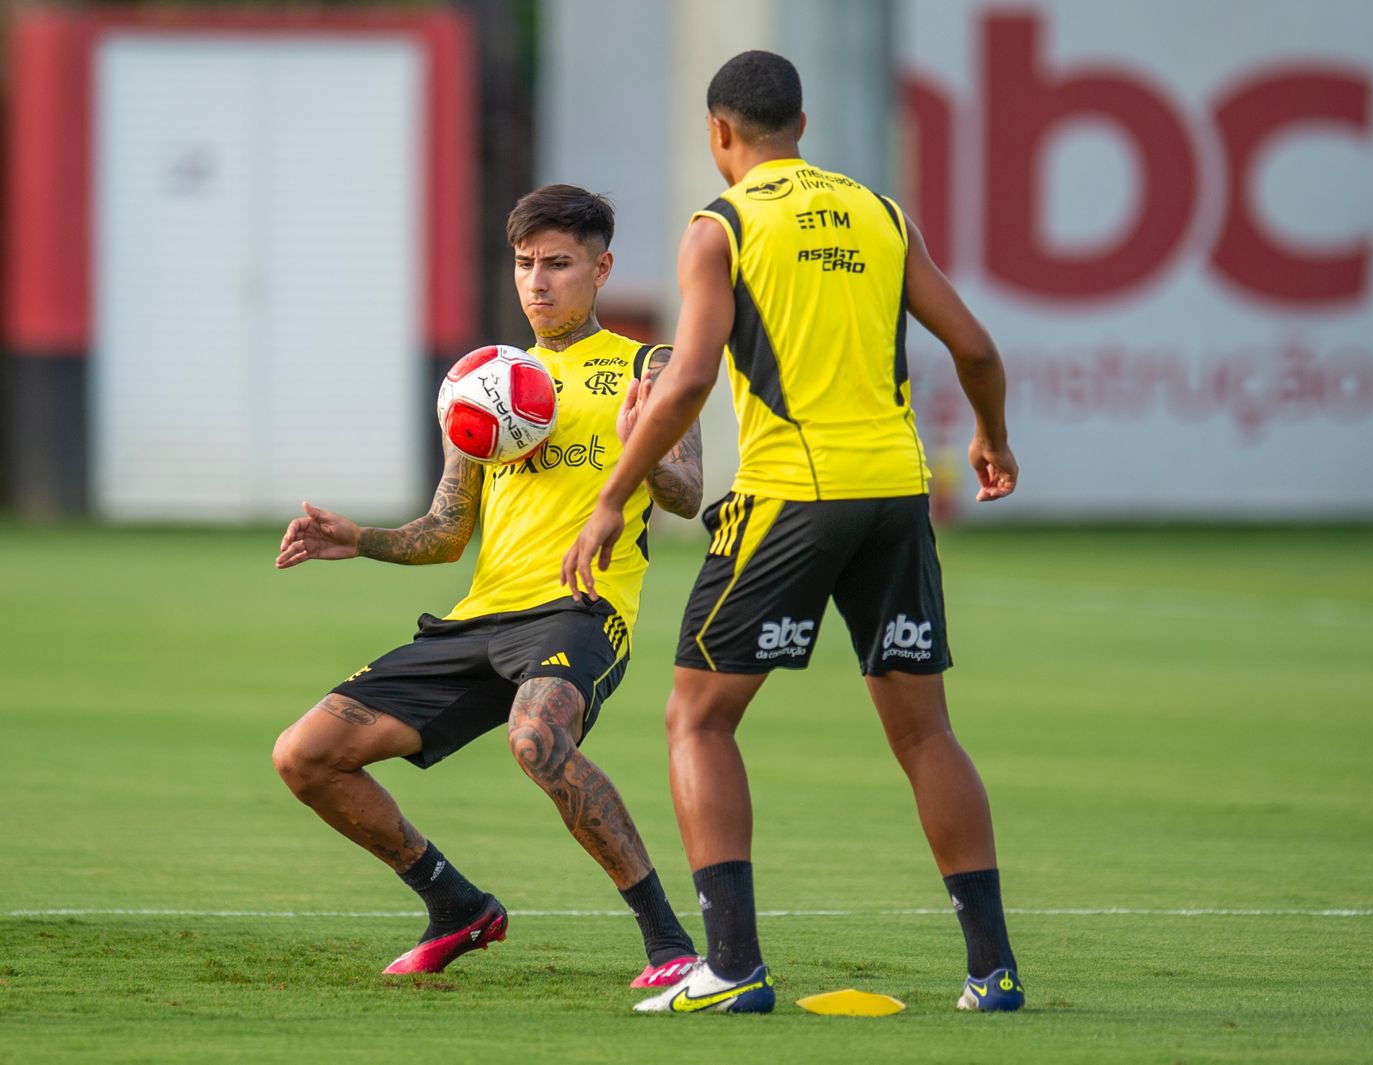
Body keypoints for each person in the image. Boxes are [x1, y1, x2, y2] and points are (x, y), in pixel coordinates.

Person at [562, 51, 1023, 1014]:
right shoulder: (882, 214)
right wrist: (990, 436)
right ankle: (993, 971)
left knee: (698, 717)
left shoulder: (720, 226)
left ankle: (731, 965)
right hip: (897, 495)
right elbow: (976, 346)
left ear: (718, 133)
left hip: (789, 499)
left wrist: (612, 495)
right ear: (802, 127)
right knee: (927, 732)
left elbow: (686, 380)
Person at [273, 184, 703, 988]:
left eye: (559, 264)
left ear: (601, 268)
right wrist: (357, 538)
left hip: (580, 611)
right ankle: (457, 905)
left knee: (536, 739)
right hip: (480, 621)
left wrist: (642, 441)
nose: (538, 282)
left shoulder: (650, 366)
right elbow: (445, 531)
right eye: (524, 264)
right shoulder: (489, 381)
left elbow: (686, 495)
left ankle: (670, 943)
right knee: (306, 755)